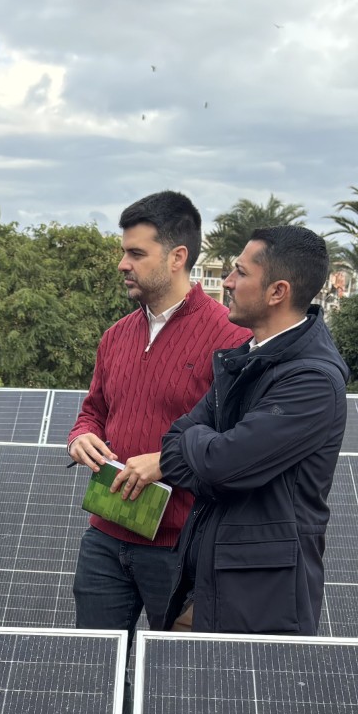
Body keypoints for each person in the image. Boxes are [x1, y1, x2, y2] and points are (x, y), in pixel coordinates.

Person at [66, 191, 250, 630]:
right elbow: (94, 409)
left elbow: (236, 445)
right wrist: (81, 436)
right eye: (123, 252)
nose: (122, 264)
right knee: (93, 669)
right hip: (106, 537)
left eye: (136, 253)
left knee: (176, 686)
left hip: (182, 548)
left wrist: (169, 464)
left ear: (177, 257)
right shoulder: (116, 336)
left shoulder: (229, 339)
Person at [159, 224, 349, 633]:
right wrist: (211, 454)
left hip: (259, 607)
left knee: (245, 698)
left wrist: (209, 452)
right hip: (204, 588)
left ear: (277, 291)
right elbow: (173, 449)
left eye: (241, 273)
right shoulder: (243, 358)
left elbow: (221, 465)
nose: (227, 282)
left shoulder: (311, 381)